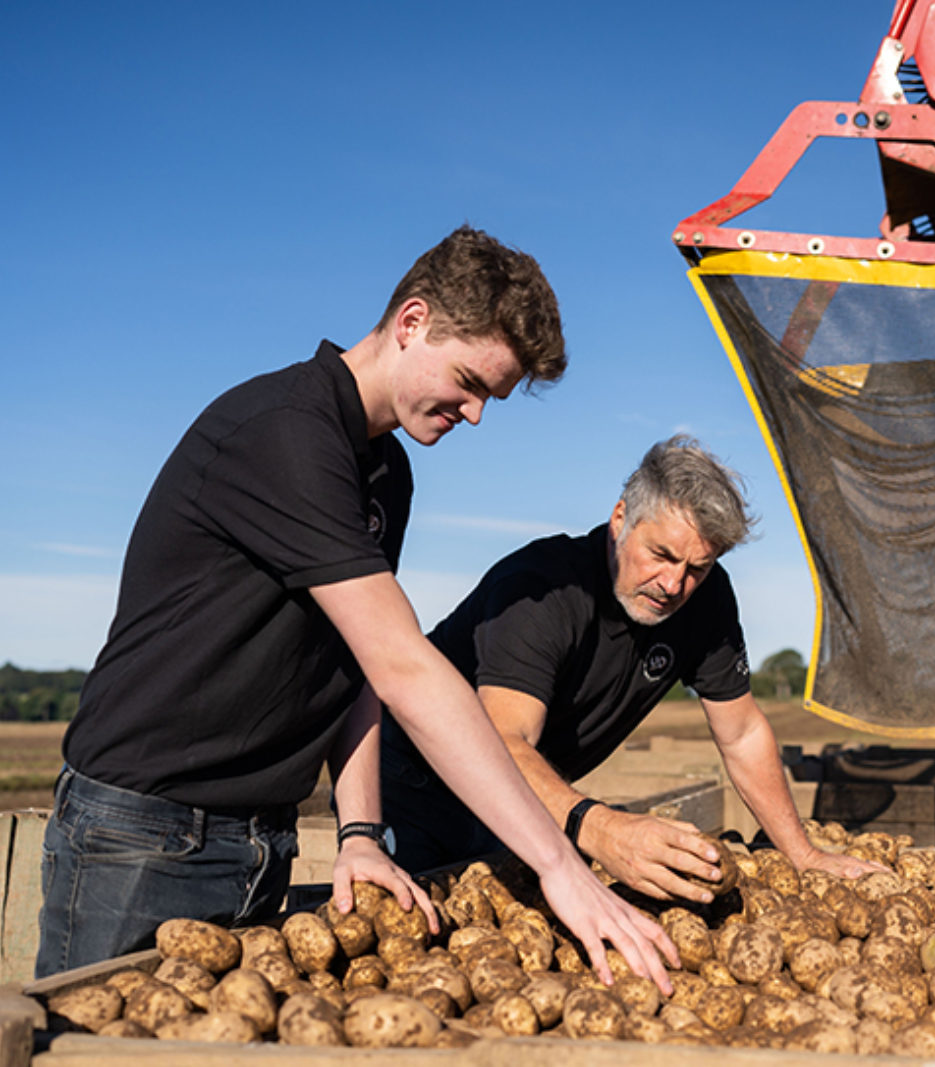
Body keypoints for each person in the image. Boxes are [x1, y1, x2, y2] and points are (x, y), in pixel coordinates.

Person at [38, 226, 677, 988]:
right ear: (412, 323)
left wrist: (361, 832)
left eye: (492, 399)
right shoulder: (284, 433)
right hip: (144, 833)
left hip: (261, 837)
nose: (475, 415)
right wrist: (558, 864)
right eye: (470, 382)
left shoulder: (385, 472)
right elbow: (405, 665)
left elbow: (357, 670)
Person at [380, 436, 882, 900]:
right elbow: (502, 742)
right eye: (660, 555)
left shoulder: (705, 600)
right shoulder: (540, 590)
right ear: (620, 518)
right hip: (419, 783)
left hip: (531, 794)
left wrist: (804, 856)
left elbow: (743, 732)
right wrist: (600, 827)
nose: (673, 584)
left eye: (697, 568)